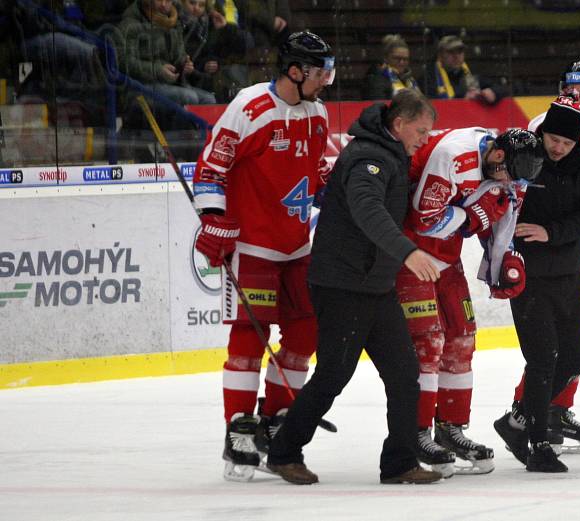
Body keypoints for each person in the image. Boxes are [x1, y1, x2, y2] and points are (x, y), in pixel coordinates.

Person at [267, 89, 444, 485]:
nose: (425, 139)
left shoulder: (391, 152)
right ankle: (283, 451)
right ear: (398, 125)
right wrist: (408, 253)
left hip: (374, 285)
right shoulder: (369, 157)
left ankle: (399, 463)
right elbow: (369, 211)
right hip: (342, 284)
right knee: (334, 374)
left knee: (403, 372)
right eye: (420, 130)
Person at [191, 30, 336, 482]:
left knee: (305, 331)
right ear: (295, 71)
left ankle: (275, 418)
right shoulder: (250, 107)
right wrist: (214, 218)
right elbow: (212, 167)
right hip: (253, 243)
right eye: (319, 72)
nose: (326, 81)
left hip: (297, 245)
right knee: (249, 339)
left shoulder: (317, 111)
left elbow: (318, 168)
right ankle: (238, 428)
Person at [494, 61, 580, 459]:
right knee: (544, 348)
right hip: (538, 258)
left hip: (573, 252)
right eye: (576, 91)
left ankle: (555, 409)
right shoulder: (537, 128)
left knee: (575, 340)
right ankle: (533, 413)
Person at [398, 127, 542, 477]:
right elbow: (425, 219)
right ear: (496, 157)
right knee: (429, 343)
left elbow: (502, 213)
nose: (512, 183)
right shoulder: (453, 155)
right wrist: (471, 218)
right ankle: (417, 432)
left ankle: (450, 428)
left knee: (462, 338)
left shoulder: (511, 166)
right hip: (411, 254)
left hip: (448, 261)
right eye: (509, 175)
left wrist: (504, 258)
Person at [115, 0, 217, 107]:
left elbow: (179, 54)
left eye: (167, 0)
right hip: (139, 86)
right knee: (189, 97)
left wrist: (184, 64)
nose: (163, 4)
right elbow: (122, 61)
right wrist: (158, 70)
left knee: (209, 99)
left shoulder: (173, 20)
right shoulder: (131, 23)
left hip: (168, 84)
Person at [422, 35, 506, 105]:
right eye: (451, 52)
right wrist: (462, 100)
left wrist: (493, 92)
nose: (456, 56)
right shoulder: (429, 78)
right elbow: (432, 106)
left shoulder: (470, 73)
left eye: (460, 51)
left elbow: (502, 88)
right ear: (440, 56)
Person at [362, 34, 420, 100]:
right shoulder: (376, 79)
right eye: (397, 58)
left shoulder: (410, 80)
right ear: (386, 58)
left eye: (405, 59)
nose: (402, 62)